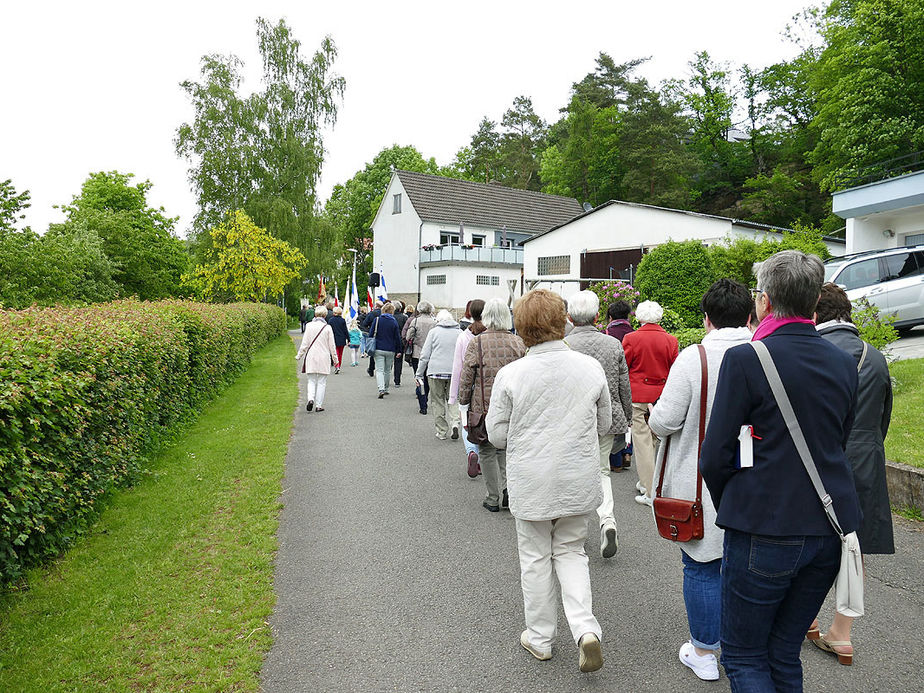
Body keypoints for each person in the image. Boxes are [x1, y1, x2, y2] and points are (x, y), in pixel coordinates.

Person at [700, 251, 861, 692]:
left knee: (745, 655)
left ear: (765, 303)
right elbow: (837, 442)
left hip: (764, 526)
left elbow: (715, 455)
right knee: (783, 651)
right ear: (813, 302)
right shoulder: (846, 363)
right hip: (828, 525)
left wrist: (732, 502)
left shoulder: (747, 360)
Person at [486, 289, 610, 673]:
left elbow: (497, 435)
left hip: (532, 478)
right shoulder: (590, 368)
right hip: (577, 475)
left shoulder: (512, 374)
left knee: (535, 558)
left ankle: (540, 637)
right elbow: (605, 424)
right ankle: (585, 628)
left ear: (521, 328)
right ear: (564, 321)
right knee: (572, 552)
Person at [647, 279, 753, 682]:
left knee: (702, 564)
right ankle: (741, 645)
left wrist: (654, 415)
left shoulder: (696, 358)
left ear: (706, 319)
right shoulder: (764, 352)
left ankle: (706, 650)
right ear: (749, 316)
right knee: (741, 564)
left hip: (700, 481)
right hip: (755, 477)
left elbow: (666, 420)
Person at [808, 282, 894, 665]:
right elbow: (883, 417)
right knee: (854, 547)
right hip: (868, 458)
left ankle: (804, 618)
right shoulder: (875, 356)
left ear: (814, 313)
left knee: (810, 544)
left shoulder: (816, 352)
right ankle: (842, 633)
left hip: (824, 459)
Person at [564, 290, 632, 559]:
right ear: (596, 316)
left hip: (573, 419)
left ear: (569, 316)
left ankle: (575, 532)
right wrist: (625, 417)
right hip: (608, 416)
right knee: (602, 471)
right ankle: (608, 520)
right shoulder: (612, 345)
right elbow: (623, 386)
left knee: (574, 473)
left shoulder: (563, 345)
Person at [459, 298, 525, 511]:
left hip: (484, 405)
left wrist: (463, 401)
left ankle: (492, 496)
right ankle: (508, 492)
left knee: (486, 451)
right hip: (513, 405)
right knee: (506, 450)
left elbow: (466, 375)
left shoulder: (476, 342)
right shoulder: (518, 342)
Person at [622, 300, 679, 506]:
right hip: (662, 395)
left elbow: (625, 367)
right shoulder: (671, 340)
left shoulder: (631, 338)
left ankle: (649, 488)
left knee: (643, 443)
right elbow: (675, 369)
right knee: (655, 441)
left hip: (638, 396)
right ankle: (651, 481)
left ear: (639, 318)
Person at [449, 299, 487, 479]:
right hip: (487, 384)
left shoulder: (464, 336)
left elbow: (458, 366)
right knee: (485, 420)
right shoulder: (489, 335)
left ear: (470, 313)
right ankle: (484, 454)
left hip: (468, 385)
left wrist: (453, 395)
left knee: (467, 421)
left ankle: (472, 452)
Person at [415, 309, 461, 439]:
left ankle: (441, 431)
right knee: (453, 399)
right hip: (454, 372)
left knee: (437, 401)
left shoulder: (434, 332)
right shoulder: (459, 333)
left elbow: (424, 355)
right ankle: (455, 424)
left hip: (435, 371)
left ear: (438, 320)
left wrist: (419, 374)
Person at [295, 305, 337, 413]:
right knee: (322, 382)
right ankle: (319, 405)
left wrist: (299, 355)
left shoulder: (309, 326)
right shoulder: (327, 328)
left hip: (311, 356)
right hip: (324, 357)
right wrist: (335, 359)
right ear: (325, 315)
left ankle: (310, 399)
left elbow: (305, 343)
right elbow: (332, 346)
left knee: (311, 381)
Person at [406, 301, 438, 415]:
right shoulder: (435, 322)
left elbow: (408, 336)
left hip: (417, 353)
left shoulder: (415, 321)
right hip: (431, 354)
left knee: (419, 378)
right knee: (427, 378)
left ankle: (422, 404)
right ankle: (425, 397)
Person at [370, 303, 402, 399]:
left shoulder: (377, 320)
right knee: (387, 370)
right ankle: (387, 388)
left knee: (379, 370)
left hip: (378, 348)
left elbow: (371, 334)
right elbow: (397, 337)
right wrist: (399, 350)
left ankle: (381, 388)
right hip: (390, 349)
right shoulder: (393, 322)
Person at [362, 301, 384, 377]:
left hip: (374, 334)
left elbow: (365, 323)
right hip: (384, 335)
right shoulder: (385, 314)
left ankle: (371, 369)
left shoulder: (372, 314)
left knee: (373, 352)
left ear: (376, 306)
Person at [328, 306, 349, 374]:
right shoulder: (342, 320)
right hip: (342, 338)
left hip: (334, 338)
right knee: (340, 353)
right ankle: (339, 365)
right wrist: (348, 339)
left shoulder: (331, 320)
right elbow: (345, 330)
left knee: (335, 353)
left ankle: (336, 365)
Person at [392, 300, 408, 388]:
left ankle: (385, 379)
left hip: (390, 341)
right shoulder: (404, 317)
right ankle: (397, 380)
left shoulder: (391, 317)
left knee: (388, 361)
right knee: (398, 362)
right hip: (400, 342)